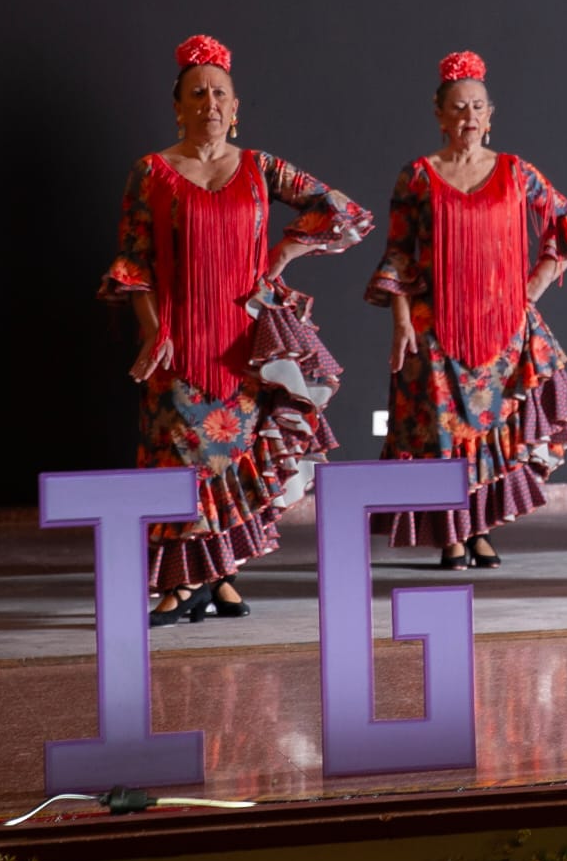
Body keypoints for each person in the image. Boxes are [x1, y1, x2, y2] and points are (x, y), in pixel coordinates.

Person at [101, 34, 373, 624]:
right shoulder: (150, 171)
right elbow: (133, 263)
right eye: (197, 93)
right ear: (178, 107)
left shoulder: (259, 167)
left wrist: (283, 254)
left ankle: (220, 578)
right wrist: (151, 333)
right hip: (176, 342)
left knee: (234, 464)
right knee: (179, 469)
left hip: (242, 345)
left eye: (220, 92)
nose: (210, 103)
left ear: (236, 106)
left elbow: (345, 212)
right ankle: (179, 584)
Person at [366, 50, 567, 568]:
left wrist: (533, 286)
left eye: (477, 106)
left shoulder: (517, 172)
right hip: (435, 327)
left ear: (490, 117)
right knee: (443, 436)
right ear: (439, 115)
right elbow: (398, 254)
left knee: (491, 431)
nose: (468, 116)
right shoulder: (418, 177)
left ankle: (479, 529)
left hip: (503, 327)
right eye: (457, 107)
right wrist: (401, 321)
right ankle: (451, 535)